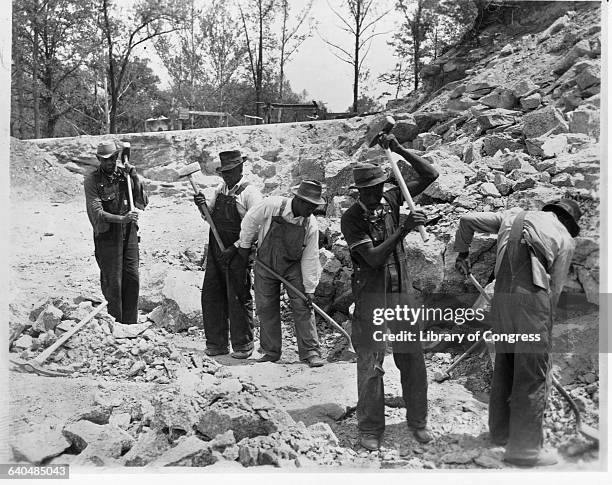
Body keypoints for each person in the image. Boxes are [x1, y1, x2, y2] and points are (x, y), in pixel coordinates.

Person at [454, 199, 581, 467]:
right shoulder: (565, 238)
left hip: (501, 300)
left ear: (549, 210)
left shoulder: (512, 215)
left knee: (506, 363)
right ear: (568, 223)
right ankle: (525, 451)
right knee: (533, 374)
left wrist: (462, 254)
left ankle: (500, 434)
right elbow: (554, 290)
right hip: (532, 303)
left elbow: (466, 220)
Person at [340, 133, 439, 451]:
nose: (374, 196)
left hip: (401, 294)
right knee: (371, 362)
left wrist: (398, 149)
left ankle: (418, 421)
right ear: (359, 192)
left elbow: (430, 174)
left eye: (378, 189)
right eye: (367, 192)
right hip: (371, 297)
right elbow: (372, 257)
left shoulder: (393, 198)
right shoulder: (351, 218)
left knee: (412, 358)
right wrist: (403, 230)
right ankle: (370, 428)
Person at [237, 180, 325, 368]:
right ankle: (271, 351)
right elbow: (250, 220)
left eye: (314, 206)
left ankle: (310, 352)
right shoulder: (272, 205)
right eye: (309, 205)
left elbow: (311, 257)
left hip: (292, 266)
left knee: (303, 305)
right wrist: (245, 247)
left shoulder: (311, 224)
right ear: (299, 200)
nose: (312, 210)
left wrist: (309, 289)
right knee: (266, 307)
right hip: (265, 263)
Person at [193, 150, 263, 359]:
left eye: (231, 171)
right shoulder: (220, 189)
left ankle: (243, 345)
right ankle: (216, 344)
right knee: (212, 295)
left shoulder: (250, 193)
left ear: (240, 169)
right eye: (224, 172)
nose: (227, 176)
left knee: (238, 296)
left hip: (238, 252)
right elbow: (210, 220)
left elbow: (257, 227)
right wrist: (202, 207)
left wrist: (235, 248)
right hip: (216, 251)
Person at [84, 140, 148, 324]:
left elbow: (142, 203)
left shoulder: (124, 176)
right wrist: (121, 219)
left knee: (132, 277)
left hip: (129, 235)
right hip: (107, 237)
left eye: (112, 159)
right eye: (105, 160)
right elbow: (96, 213)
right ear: (98, 160)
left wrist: (135, 178)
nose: (109, 163)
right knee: (113, 282)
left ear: (117, 157)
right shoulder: (92, 181)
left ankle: (130, 324)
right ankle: (115, 324)